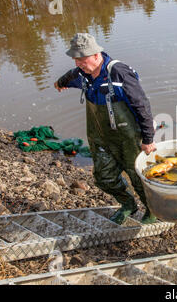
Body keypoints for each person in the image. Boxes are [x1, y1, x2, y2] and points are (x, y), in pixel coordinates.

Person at [54, 33, 157, 225]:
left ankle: (152, 211)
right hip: (101, 138)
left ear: (96, 55)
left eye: (82, 59)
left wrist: (148, 139)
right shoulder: (81, 74)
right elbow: (70, 75)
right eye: (76, 60)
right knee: (103, 178)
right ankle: (128, 204)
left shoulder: (118, 72)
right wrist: (60, 83)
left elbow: (142, 105)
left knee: (138, 178)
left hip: (128, 137)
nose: (79, 64)